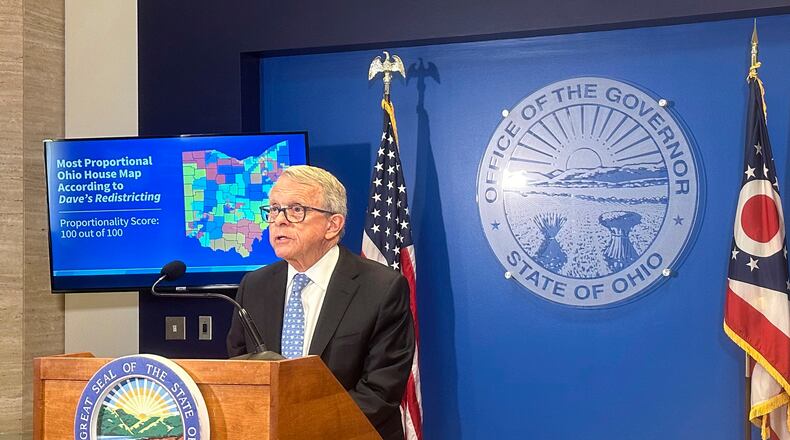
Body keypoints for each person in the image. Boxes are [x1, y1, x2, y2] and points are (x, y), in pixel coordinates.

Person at [226, 165, 415, 440]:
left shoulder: (382, 288)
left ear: (332, 225)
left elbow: (379, 391)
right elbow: (240, 374)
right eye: (274, 209)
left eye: (296, 210)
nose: (279, 220)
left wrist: (300, 427)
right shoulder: (254, 286)